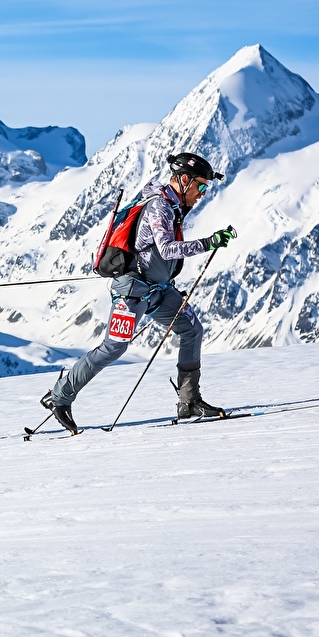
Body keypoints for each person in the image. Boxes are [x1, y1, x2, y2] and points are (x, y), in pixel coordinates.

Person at [42, 152, 237, 432]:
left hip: (158, 291)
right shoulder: (160, 207)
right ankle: (59, 396)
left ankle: (189, 401)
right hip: (132, 291)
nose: (202, 194)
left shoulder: (173, 207)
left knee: (192, 330)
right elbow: (167, 248)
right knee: (114, 347)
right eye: (201, 186)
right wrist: (210, 242)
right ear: (184, 180)